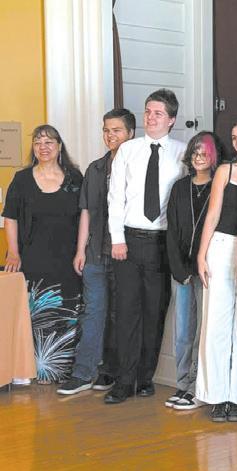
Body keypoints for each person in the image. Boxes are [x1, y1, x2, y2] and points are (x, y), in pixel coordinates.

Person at [105, 88, 186, 404]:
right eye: (148, 111)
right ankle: (124, 380)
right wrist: (117, 239)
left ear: (171, 119)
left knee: (155, 311)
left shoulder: (182, 153)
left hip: (162, 244)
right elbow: (116, 197)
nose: (151, 117)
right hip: (129, 241)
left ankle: (144, 377)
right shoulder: (128, 150)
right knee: (127, 311)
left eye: (158, 113)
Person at [57, 109, 135, 395]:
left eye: (116, 130)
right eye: (106, 130)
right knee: (93, 313)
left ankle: (111, 371)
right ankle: (83, 373)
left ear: (130, 133)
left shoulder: (137, 166)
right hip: (95, 254)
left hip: (125, 255)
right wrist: (81, 250)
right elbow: (86, 213)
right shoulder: (95, 168)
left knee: (119, 315)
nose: (110, 135)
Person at [195, 116, 237, 422]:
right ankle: (216, 396)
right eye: (235, 138)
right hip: (223, 247)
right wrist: (202, 254)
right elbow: (212, 215)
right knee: (216, 322)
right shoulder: (226, 170)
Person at [3, 124, 84, 384]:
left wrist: (81, 251)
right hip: (32, 257)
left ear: (59, 146)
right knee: (35, 313)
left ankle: (60, 370)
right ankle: (31, 369)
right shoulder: (22, 179)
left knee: (65, 312)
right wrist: (13, 253)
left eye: (49, 142)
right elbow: (10, 217)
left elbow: (85, 216)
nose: (43, 147)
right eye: (38, 142)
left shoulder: (75, 178)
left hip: (67, 259)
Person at [164, 132, 221, 410]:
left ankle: (196, 386)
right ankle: (182, 383)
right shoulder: (180, 188)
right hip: (183, 271)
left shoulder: (218, 187)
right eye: (196, 152)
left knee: (202, 333)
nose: (199, 157)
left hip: (208, 269)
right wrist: (179, 269)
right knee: (184, 332)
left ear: (214, 157)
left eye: (205, 153)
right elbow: (172, 231)